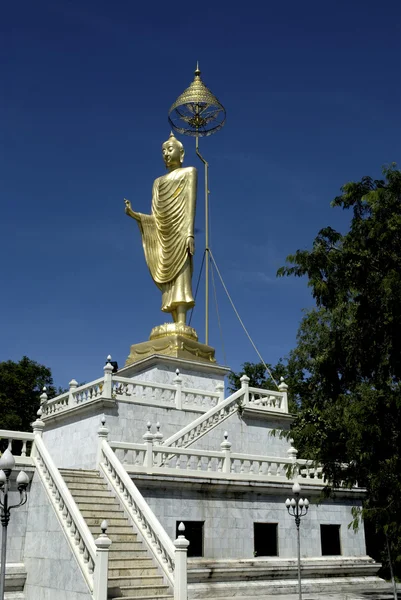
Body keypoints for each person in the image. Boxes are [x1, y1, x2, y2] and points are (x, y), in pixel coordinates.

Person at [125, 133, 197, 326]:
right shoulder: (158, 182)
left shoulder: (189, 172)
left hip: (181, 231)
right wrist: (135, 215)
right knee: (169, 281)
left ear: (181, 153)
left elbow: (190, 205)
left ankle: (182, 322)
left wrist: (189, 233)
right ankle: (176, 323)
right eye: (163, 151)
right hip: (164, 234)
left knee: (182, 274)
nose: (166, 154)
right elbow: (155, 217)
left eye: (170, 149)